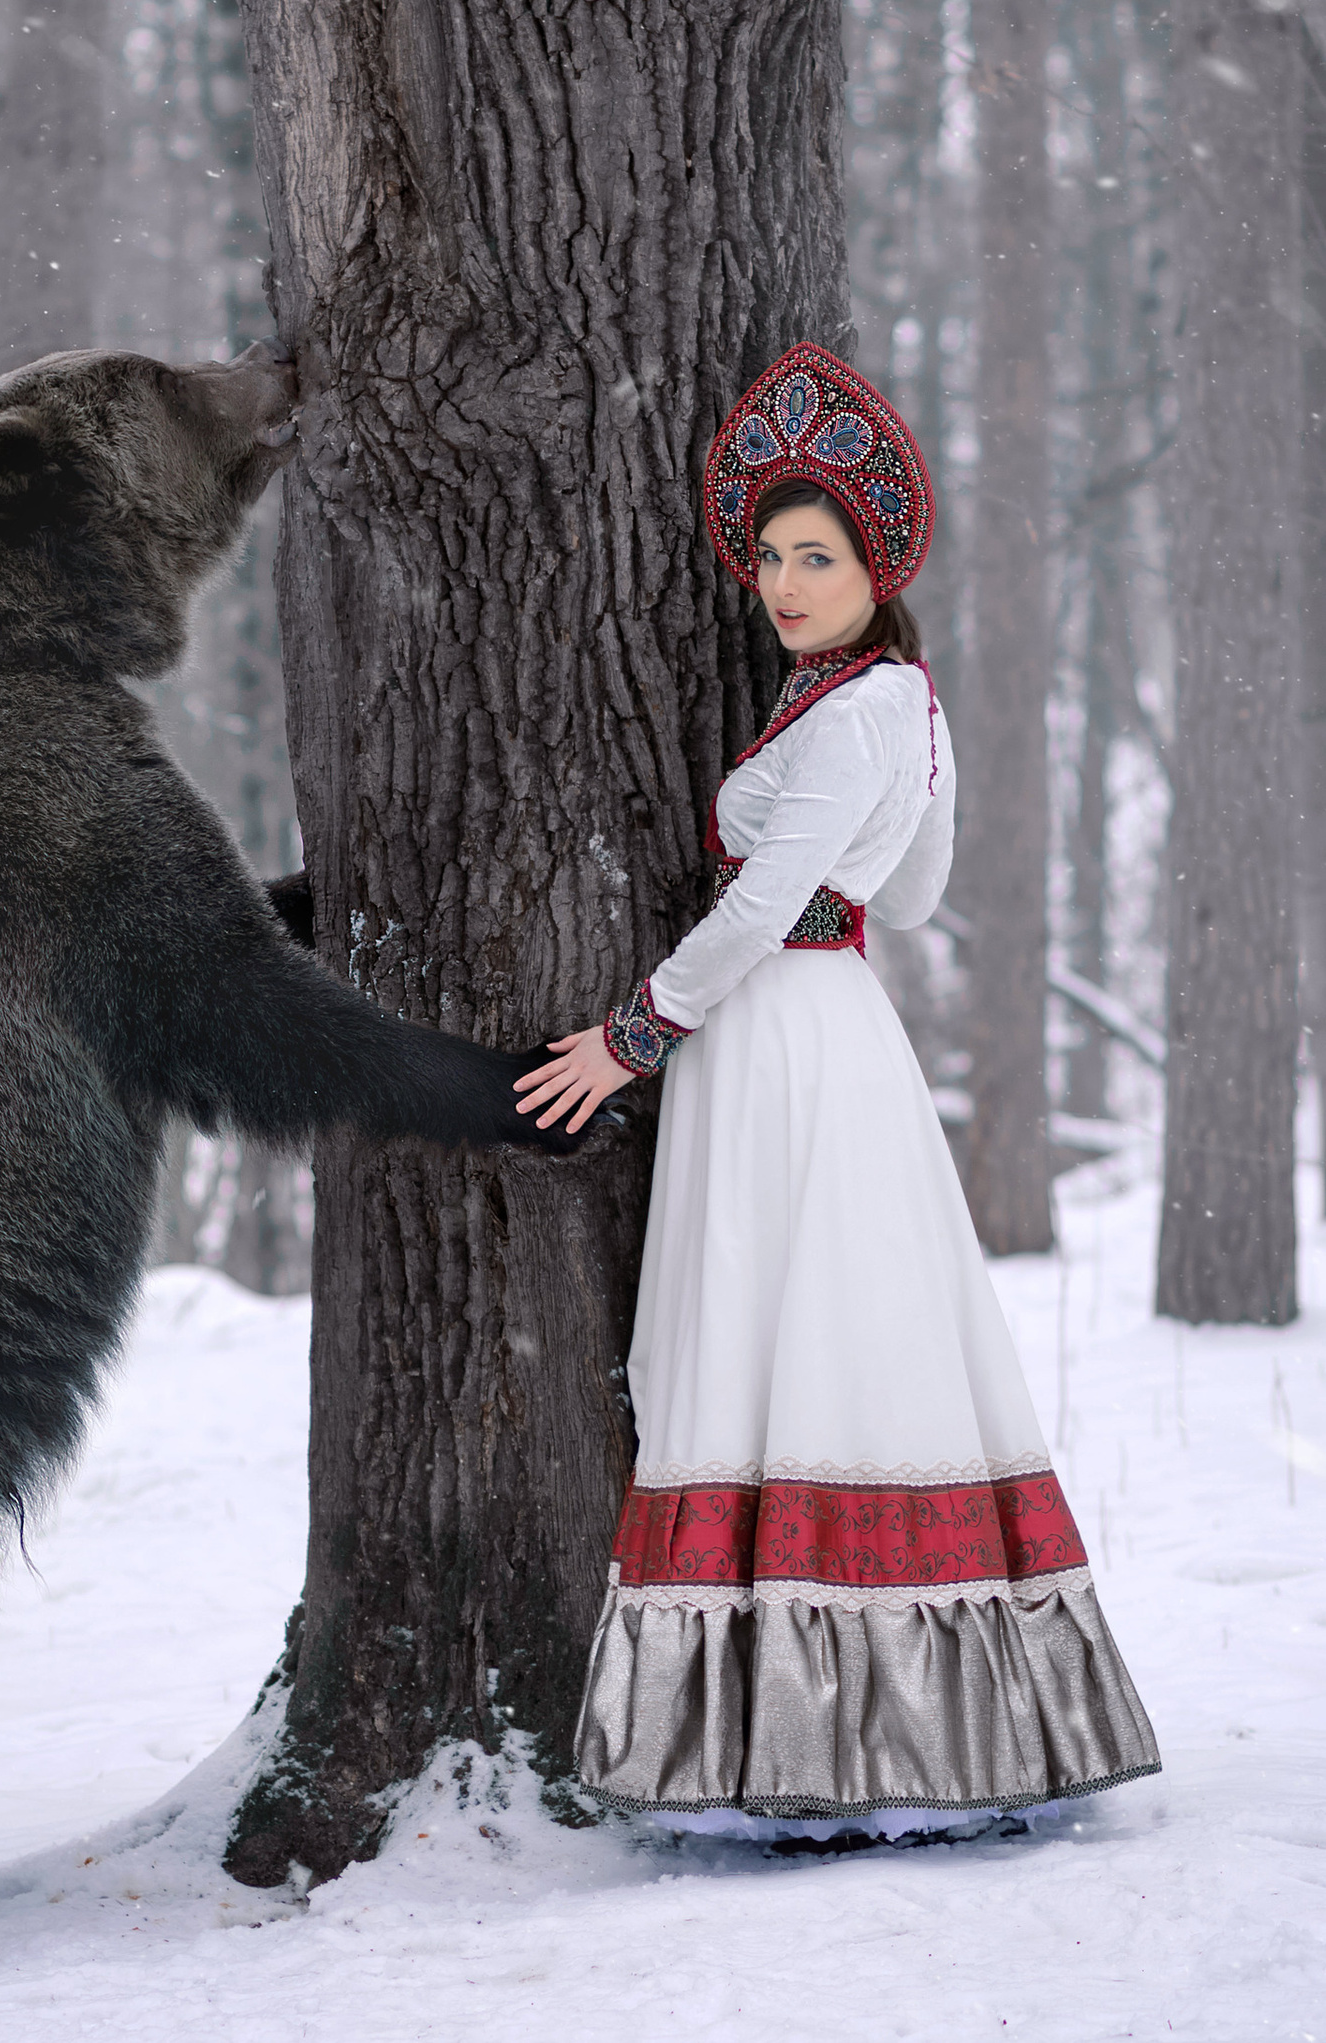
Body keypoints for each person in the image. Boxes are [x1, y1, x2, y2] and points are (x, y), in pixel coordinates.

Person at [515, 341, 1159, 1849]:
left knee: (770, 1328)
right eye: (772, 557)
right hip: (835, 1027)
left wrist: (628, 1035)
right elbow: (915, 895)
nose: (786, 582)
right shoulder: (892, 703)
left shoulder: (855, 708)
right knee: (842, 1336)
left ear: (875, 562)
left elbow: (761, 910)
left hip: (779, 1028)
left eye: (820, 555)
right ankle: (896, 1718)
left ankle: (813, 1735)